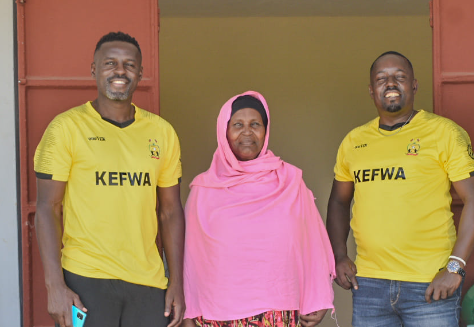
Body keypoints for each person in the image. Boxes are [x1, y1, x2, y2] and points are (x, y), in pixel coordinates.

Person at [34, 32, 185, 327]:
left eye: (129, 65)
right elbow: (47, 208)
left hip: (148, 283)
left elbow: (170, 211)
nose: (120, 71)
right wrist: (54, 287)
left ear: (140, 72)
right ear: (94, 69)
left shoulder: (162, 132)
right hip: (85, 281)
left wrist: (177, 283)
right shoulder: (66, 128)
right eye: (110, 63)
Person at [327, 51, 474, 327]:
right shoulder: (354, 141)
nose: (390, 83)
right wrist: (339, 256)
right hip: (369, 286)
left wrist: (454, 267)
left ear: (414, 85)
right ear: (371, 89)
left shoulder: (444, 133)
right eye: (382, 78)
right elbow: (339, 203)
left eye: (399, 77)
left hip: (429, 284)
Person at [181, 91, 335, 327]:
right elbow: (190, 257)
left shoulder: (290, 181)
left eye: (255, 124)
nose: (247, 132)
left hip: (278, 312)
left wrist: (318, 296)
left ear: (266, 130)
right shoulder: (204, 188)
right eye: (237, 125)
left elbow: (312, 242)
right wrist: (188, 311)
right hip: (217, 315)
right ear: (224, 131)